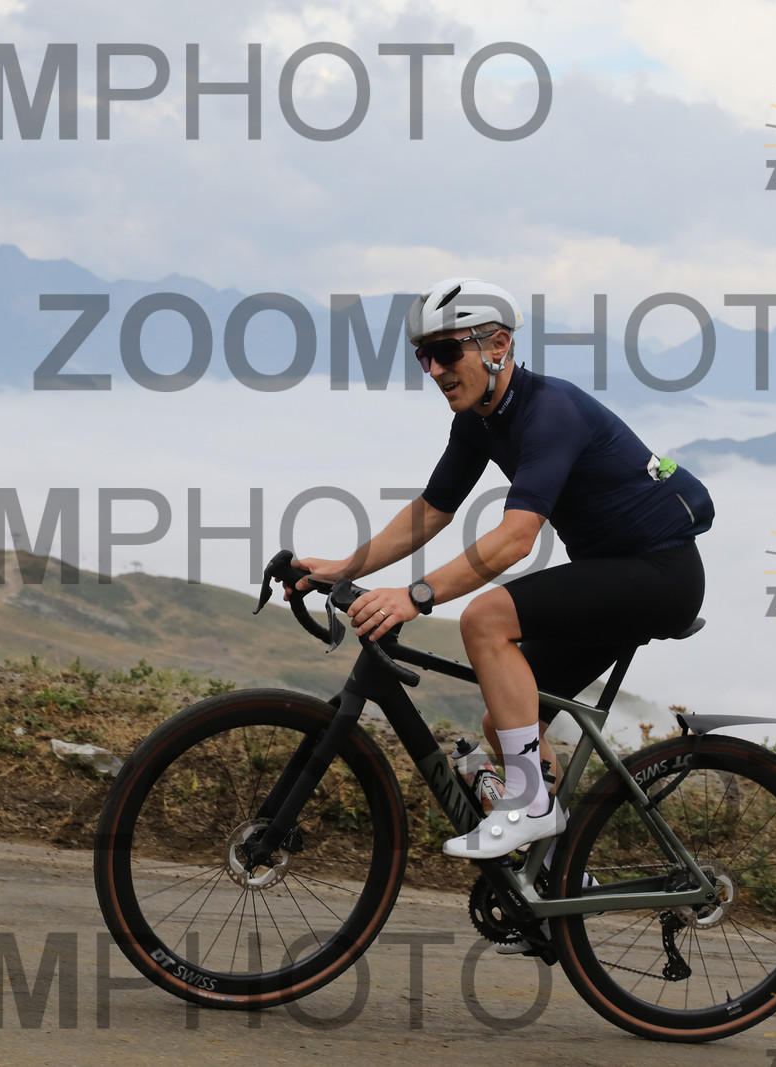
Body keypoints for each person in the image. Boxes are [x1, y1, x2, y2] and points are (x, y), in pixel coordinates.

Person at [288, 277, 713, 861]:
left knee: (485, 618)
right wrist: (342, 566)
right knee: (508, 722)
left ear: (498, 346)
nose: (435, 370)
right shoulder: (478, 421)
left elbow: (516, 539)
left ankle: (531, 804)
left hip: (660, 574)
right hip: (616, 574)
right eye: (424, 357)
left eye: (446, 352)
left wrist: (416, 594)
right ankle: (554, 875)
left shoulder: (552, 411)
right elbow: (431, 511)